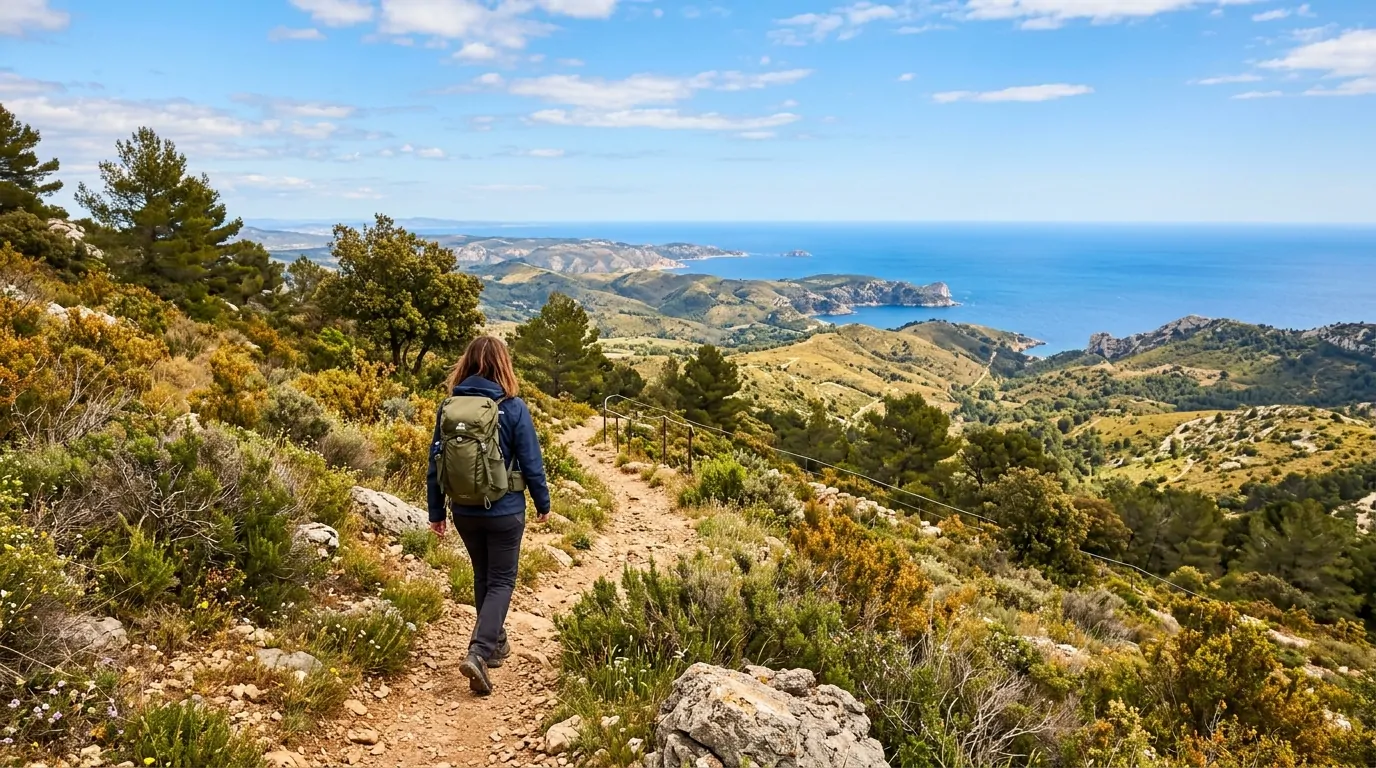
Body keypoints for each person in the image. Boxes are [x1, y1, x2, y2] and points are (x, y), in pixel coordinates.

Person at [426, 335, 551, 696]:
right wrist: (543, 502)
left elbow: (435, 464)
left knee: (483, 576)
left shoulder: (449, 406)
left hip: (463, 510)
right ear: (503, 365)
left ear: (466, 364)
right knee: (501, 581)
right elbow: (531, 462)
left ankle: (494, 644)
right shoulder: (513, 407)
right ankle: (479, 652)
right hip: (505, 509)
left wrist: (437, 512)